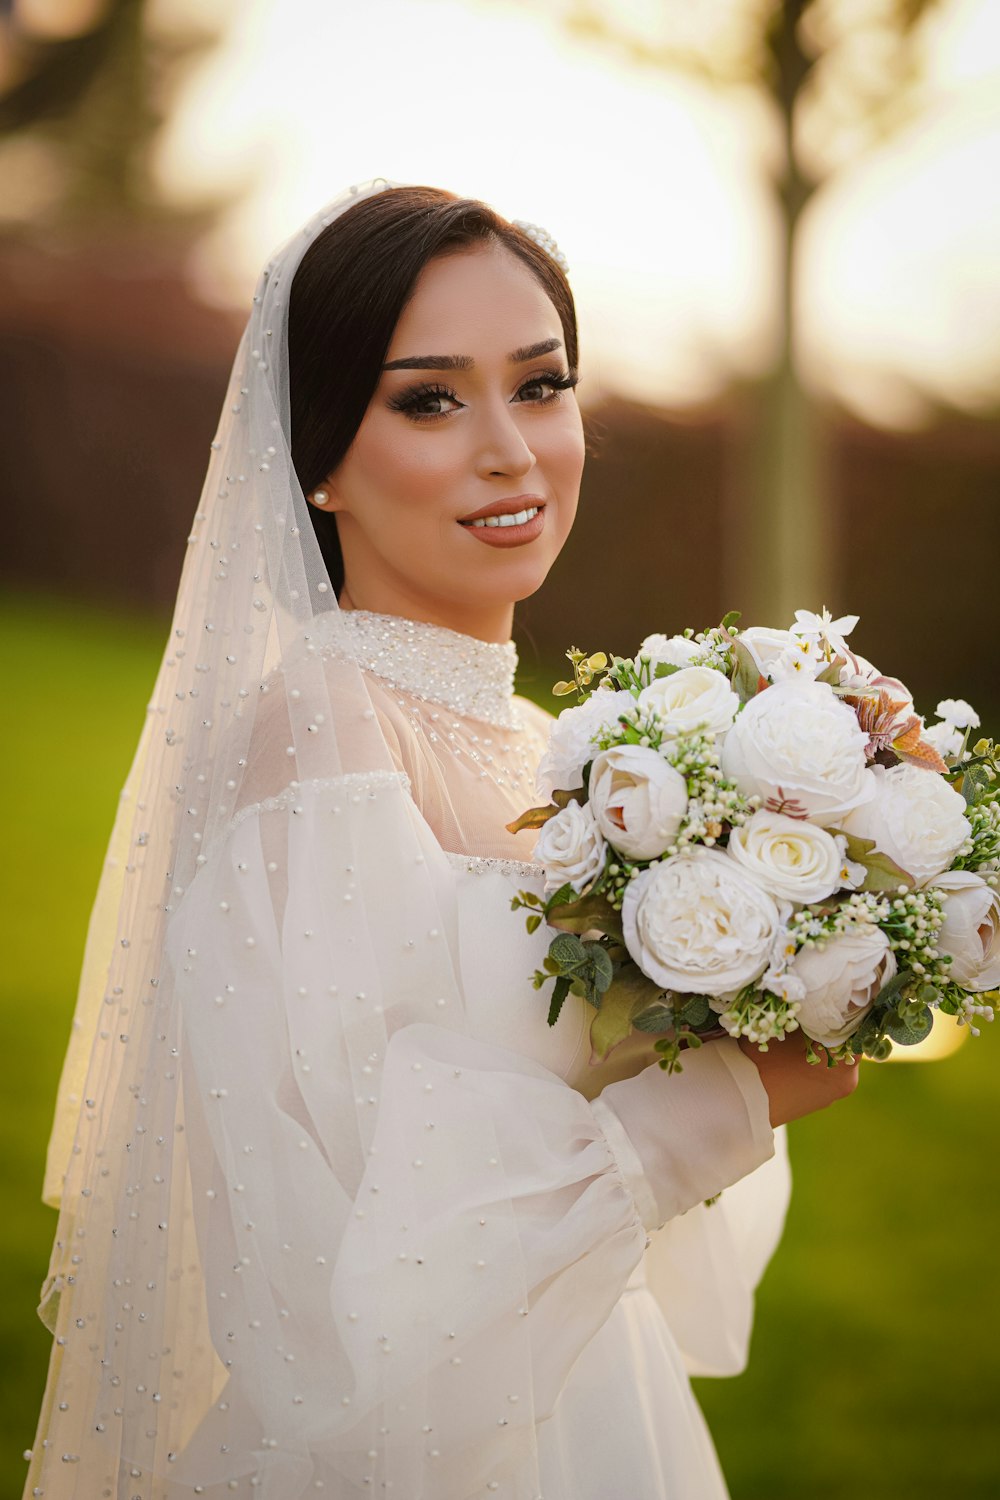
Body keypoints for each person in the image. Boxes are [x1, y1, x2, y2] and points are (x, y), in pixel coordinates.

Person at [23, 179, 857, 1500]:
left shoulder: (561, 752)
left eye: (540, 384)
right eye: (429, 398)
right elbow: (349, 1259)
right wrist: (728, 1104)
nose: (512, 449)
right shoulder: (320, 729)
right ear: (313, 455)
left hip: (590, 1395)